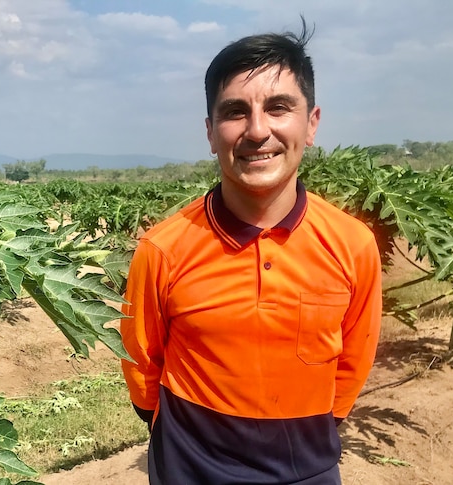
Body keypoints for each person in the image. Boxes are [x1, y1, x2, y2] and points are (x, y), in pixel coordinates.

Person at [120, 23, 382, 485]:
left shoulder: (353, 244)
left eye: (279, 107)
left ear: (312, 122)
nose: (258, 131)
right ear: (210, 131)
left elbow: (353, 364)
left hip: (309, 470)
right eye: (235, 112)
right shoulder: (162, 249)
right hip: (189, 471)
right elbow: (143, 367)